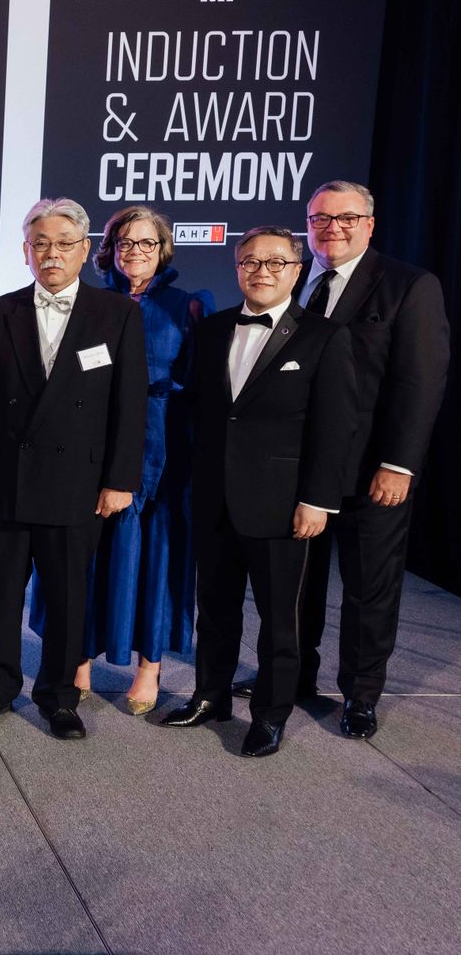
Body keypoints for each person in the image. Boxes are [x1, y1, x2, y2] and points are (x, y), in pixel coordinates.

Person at [245, 181, 449, 740]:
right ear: (307, 224)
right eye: (320, 218)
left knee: (368, 586)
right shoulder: (295, 283)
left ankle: (360, 694)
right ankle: (297, 677)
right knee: (297, 584)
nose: (332, 227)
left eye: (346, 218)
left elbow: (419, 382)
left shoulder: (410, 285)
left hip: (371, 471)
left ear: (370, 224)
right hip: (296, 468)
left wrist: (399, 464)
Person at [161, 226, 357, 757]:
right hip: (214, 498)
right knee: (216, 606)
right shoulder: (214, 329)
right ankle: (211, 695)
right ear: (237, 267)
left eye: (275, 262)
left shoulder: (324, 336)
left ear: (296, 270)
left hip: (283, 503)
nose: (262, 271)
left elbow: (336, 428)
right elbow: (201, 413)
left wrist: (319, 499)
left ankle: (270, 715)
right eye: (250, 262)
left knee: (280, 620)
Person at [0, 198, 147, 741]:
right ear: (25, 252)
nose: (52, 253)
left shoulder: (118, 314)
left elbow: (128, 406)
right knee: (2, 589)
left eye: (64, 243)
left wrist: (120, 480)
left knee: (68, 595)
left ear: (86, 251)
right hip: (9, 480)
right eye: (40, 243)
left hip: (81, 483)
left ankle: (60, 696)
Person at [34, 206, 210, 714]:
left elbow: (198, 388)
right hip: (91, 439)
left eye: (146, 243)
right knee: (87, 552)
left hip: (161, 442)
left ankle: (149, 667)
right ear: (108, 249)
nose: (135, 251)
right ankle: (79, 656)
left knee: (154, 555)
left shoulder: (188, 306)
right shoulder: (88, 302)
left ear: (163, 250)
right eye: (125, 242)